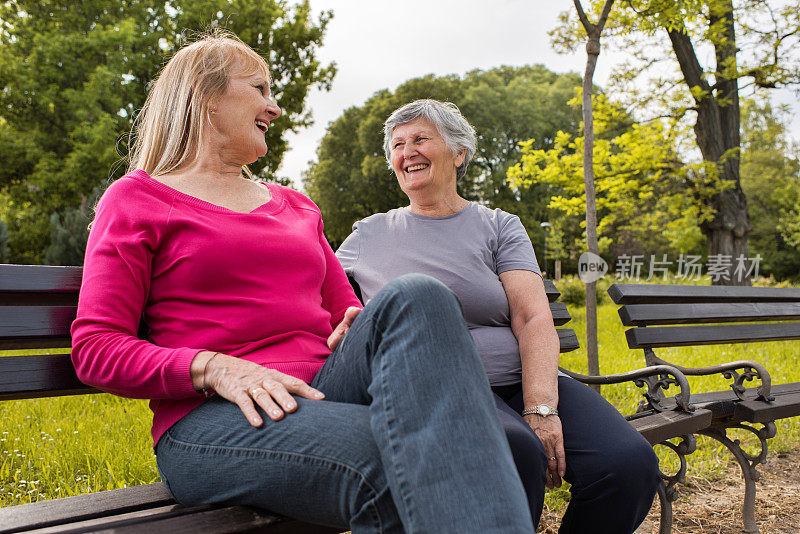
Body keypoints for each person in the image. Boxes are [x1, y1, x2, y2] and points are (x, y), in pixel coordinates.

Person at [70, 33, 537, 533]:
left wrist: (357, 329)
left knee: (419, 294)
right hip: (216, 417)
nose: (273, 107)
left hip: (324, 391)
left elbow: (344, 315)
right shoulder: (138, 198)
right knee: (413, 464)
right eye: (260, 89)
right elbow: (96, 348)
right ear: (205, 96)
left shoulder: (295, 206)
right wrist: (214, 369)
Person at [336, 99, 662, 533]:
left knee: (629, 465)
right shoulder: (368, 234)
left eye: (420, 139)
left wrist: (541, 407)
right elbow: (324, 300)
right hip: (442, 388)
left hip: (519, 381)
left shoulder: (498, 225)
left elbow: (532, 317)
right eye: (398, 145)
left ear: (458, 152)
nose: (406, 151)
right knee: (515, 453)